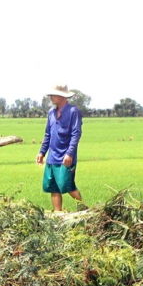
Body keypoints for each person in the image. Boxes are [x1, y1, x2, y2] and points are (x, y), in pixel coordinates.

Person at [37, 84, 86, 212]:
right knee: (53, 187)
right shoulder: (51, 113)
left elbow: (76, 134)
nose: (51, 97)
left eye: (53, 95)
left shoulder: (73, 112)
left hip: (66, 157)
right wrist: (42, 152)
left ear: (62, 96)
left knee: (68, 186)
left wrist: (70, 153)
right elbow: (48, 134)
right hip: (52, 157)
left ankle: (86, 210)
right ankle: (58, 215)